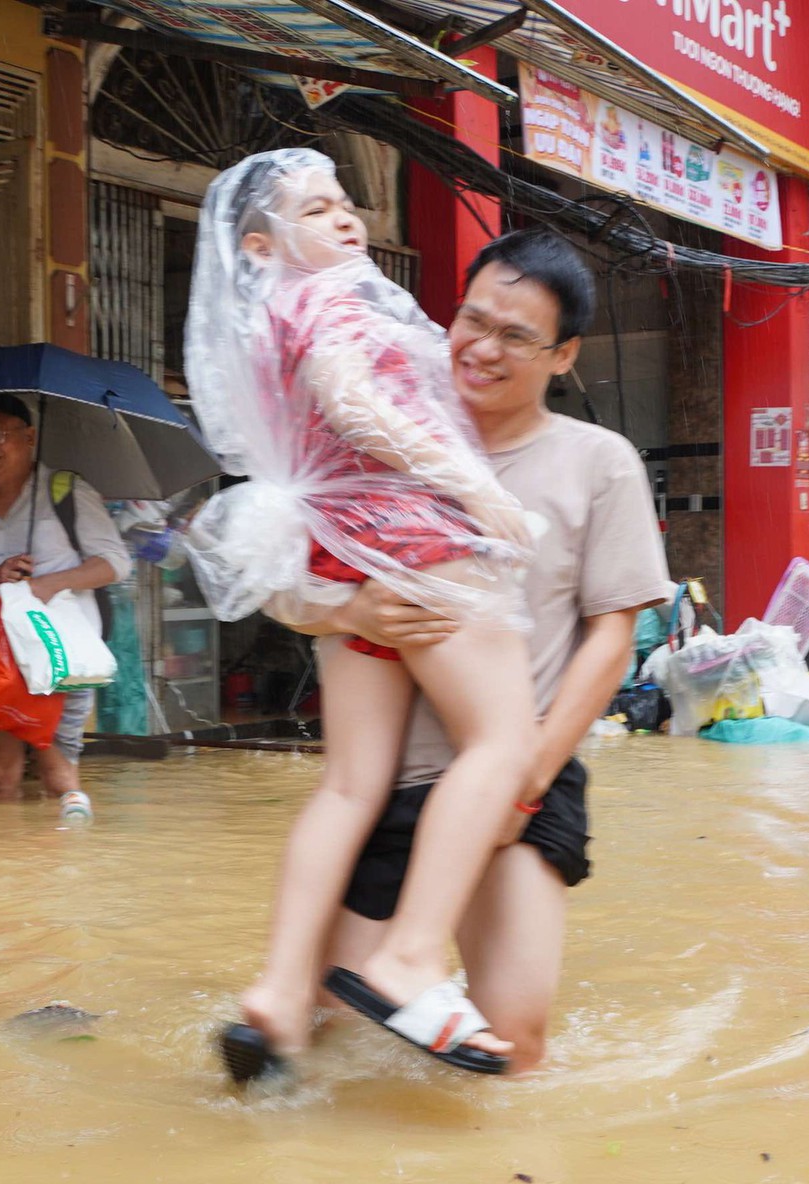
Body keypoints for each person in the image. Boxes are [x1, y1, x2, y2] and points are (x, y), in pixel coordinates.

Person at [186, 150, 542, 1080]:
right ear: (260, 246)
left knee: (350, 783)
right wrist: (476, 488)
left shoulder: (262, 325)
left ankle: (278, 993)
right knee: (502, 741)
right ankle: (410, 955)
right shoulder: (329, 300)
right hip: (414, 541)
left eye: (347, 204)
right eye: (317, 209)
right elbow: (357, 406)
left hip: (344, 556)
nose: (346, 221)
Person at [310, 230, 674, 1075]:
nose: (482, 348)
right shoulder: (384, 453)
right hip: (389, 784)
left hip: (522, 776)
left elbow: (611, 635)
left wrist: (532, 775)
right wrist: (353, 603)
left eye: (516, 335)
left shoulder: (597, 462)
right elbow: (299, 601)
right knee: (328, 1035)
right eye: (472, 321)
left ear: (563, 354)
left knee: (513, 1046)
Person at [0, 393, 132, 820]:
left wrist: (48, 583)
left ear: (30, 438)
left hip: (61, 657)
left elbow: (116, 563)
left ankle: (70, 865)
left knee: (56, 775)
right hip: (3, 660)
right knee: (0, 778)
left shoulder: (66, 491)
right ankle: (14, 870)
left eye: (0, 435)